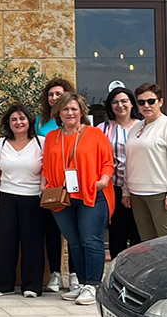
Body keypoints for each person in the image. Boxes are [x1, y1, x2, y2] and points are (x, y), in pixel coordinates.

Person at [41, 93, 115, 306]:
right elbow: (46, 165)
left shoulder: (94, 134)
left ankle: (93, 285)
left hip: (91, 193)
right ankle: (82, 284)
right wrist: (44, 184)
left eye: (73, 109)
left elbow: (108, 162)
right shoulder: (53, 137)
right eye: (65, 109)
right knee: (74, 241)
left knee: (91, 239)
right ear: (59, 113)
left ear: (81, 111)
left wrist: (103, 181)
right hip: (62, 197)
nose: (70, 113)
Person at [0, 105, 45, 298]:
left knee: (32, 243)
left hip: (34, 198)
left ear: (29, 121)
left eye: (22, 118)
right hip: (7, 197)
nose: (18, 123)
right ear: (8, 124)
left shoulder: (41, 143)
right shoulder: (0, 144)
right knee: (6, 242)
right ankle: (3, 284)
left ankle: (32, 286)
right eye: (13, 120)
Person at [125, 83, 167, 241]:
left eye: (151, 101)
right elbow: (130, 161)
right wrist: (126, 190)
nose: (146, 105)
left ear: (160, 102)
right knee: (147, 242)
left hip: (159, 193)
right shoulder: (136, 127)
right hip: (136, 193)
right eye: (141, 102)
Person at [36, 78, 78, 293]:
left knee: (73, 233)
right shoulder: (40, 122)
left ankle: (73, 274)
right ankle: (54, 273)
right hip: (51, 185)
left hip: (75, 184)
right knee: (52, 231)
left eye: (58, 94)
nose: (54, 98)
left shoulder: (79, 122)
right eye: (51, 95)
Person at [98, 87, 142, 257]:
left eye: (124, 101)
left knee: (138, 233)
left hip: (139, 187)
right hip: (112, 188)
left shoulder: (143, 126)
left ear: (132, 103)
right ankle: (118, 276)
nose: (120, 105)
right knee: (117, 233)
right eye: (115, 102)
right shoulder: (103, 128)